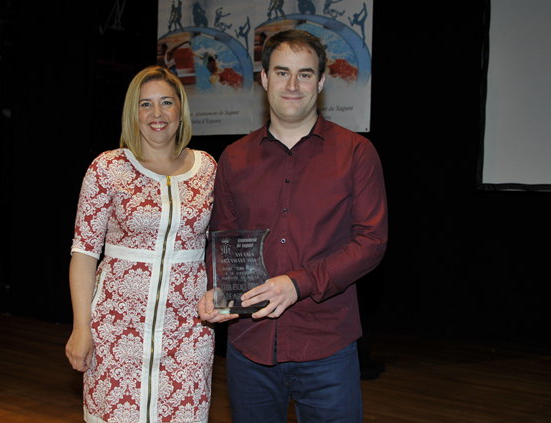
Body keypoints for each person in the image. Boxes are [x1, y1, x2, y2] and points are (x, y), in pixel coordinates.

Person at [198, 29, 388, 423]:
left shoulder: (356, 153)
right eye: (282, 72)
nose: (292, 85)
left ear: (321, 82)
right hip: (249, 347)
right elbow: (223, 239)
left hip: (326, 347)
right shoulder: (234, 159)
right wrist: (217, 288)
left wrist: (298, 283)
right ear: (265, 78)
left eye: (305, 74)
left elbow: (371, 241)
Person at [66, 66, 217, 423]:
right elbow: (84, 253)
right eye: (145, 104)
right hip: (117, 333)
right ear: (132, 112)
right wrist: (81, 327)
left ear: (181, 109)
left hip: (188, 335)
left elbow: (221, 248)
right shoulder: (107, 168)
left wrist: (223, 301)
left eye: (166, 102)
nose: (156, 114)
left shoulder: (208, 169)